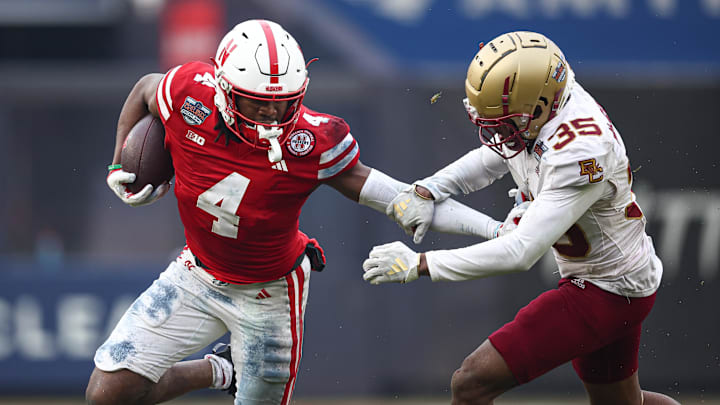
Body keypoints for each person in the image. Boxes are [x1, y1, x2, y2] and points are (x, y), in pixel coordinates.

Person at [86, 19, 505, 405]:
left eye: (283, 103)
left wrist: (494, 230)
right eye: (256, 103)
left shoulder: (313, 140)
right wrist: (120, 164)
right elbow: (145, 87)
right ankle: (217, 370)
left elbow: (404, 200)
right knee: (106, 395)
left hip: (267, 294)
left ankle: (229, 367)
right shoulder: (188, 93)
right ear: (224, 90)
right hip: (195, 273)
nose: (271, 113)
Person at [362, 31, 680, 405]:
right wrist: (429, 188)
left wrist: (420, 263)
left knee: (471, 382)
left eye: (504, 122)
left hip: (605, 289)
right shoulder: (546, 105)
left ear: (542, 105)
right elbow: (495, 157)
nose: (495, 132)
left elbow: (520, 252)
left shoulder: (580, 151)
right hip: (620, 280)